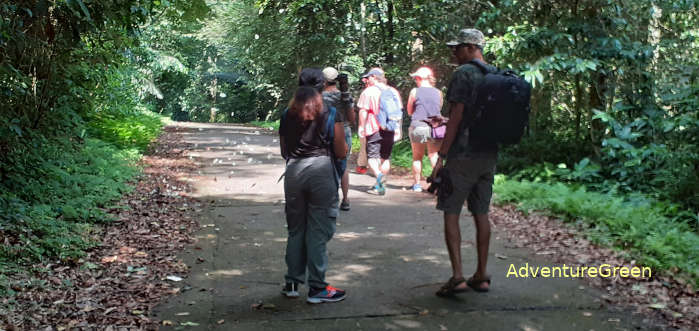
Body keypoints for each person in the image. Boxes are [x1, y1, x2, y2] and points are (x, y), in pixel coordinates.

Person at [431, 28, 498, 296]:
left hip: (462, 155)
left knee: (451, 211)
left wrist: (442, 156)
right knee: (481, 213)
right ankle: (481, 274)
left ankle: (458, 276)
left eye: (457, 47)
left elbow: (457, 116)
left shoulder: (464, 74)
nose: (454, 52)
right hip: (489, 154)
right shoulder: (495, 73)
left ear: (471, 47)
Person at [279, 68, 348, 304]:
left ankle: (292, 283)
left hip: (294, 170)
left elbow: (284, 151)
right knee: (318, 230)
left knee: (296, 228)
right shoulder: (330, 113)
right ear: (322, 87)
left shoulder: (288, 113)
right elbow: (340, 152)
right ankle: (318, 288)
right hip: (320, 170)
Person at [356, 68, 402, 195]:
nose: (367, 80)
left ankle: (379, 176)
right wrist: (398, 128)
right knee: (385, 157)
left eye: (368, 77)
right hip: (389, 127)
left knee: (372, 157)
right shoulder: (393, 91)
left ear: (374, 77)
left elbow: (363, 111)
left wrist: (361, 126)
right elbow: (398, 112)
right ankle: (379, 183)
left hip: (373, 128)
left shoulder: (369, 91)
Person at [322, 67, 355, 211]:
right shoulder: (345, 96)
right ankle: (346, 199)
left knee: (327, 166)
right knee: (343, 166)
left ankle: (329, 199)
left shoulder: (319, 97)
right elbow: (352, 119)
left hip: (325, 132)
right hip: (344, 131)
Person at [406, 66, 443, 192]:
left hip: (419, 125)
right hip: (435, 127)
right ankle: (439, 185)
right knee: (434, 156)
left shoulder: (415, 92)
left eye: (416, 78)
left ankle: (417, 184)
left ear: (420, 78)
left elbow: (410, 111)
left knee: (417, 157)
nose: (415, 80)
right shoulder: (438, 92)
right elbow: (439, 109)